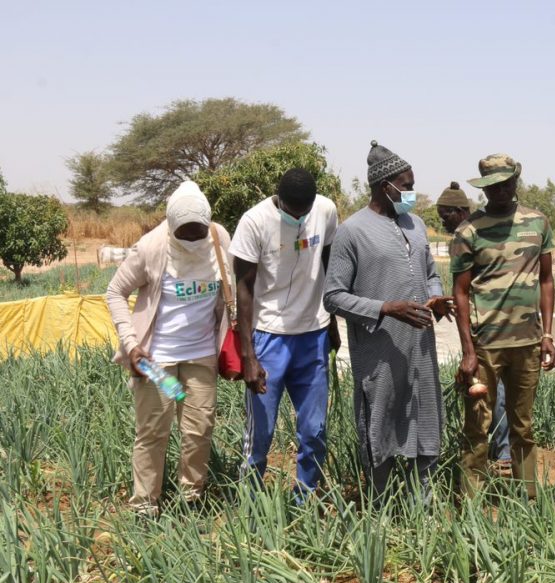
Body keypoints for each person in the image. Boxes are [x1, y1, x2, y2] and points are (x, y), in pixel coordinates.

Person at [324, 142, 450, 503]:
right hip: (379, 351)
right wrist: (385, 308)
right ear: (385, 186)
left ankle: (420, 511)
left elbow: (429, 273)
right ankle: (380, 509)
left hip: (420, 351)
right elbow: (333, 296)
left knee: (424, 421)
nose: (411, 192)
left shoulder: (417, 225)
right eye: (406, 185)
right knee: (380, 426)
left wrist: (436, 297)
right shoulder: (352, 232)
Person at [106, 181, 231, 516]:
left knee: (198, 429)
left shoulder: (219, 239)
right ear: (171, 227)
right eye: (185, 233)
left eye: (198, 232)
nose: (192, 238)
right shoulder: (152, 248)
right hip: (157, 361)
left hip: (201, 356)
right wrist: (131, 345)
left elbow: (229, 292)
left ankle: (192, 496)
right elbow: (115, 292)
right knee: (154, 431)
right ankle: (146, 505)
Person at [451, 153, 555, 498]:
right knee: (477, 426)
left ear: (516, 182)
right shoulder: (469, 231)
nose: (499, 190)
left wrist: (546, 335)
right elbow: (461, 292)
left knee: (522, 427)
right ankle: (472, 503)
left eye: (505, 183)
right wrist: (468, 351)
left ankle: (527, 498)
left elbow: (546, 280)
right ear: (483, 188)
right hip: (486, 345)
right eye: (492, 185)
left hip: (526, 343)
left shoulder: (537, 223)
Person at [230, 168, 339, 499]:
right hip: (268, 337)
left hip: (312, 335)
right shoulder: (254, 222)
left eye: (304, 211)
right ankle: (250, 502)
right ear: (279, 201)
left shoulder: (325, 210)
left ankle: (304, 498)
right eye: (293, 212)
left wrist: (331, 321)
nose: (300, 217)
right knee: (260, 433)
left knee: (314, 429)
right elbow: (244, 288)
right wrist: (248, 355)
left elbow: (328, 263)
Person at [436, 182, 511, 470]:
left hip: (492, 327)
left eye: (446, 216)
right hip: (479, 327)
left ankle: (502, 454)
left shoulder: (477, 232)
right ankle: (492, 451)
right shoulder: (465, 234)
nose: (444, 222)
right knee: (482, 390)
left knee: (496, 393)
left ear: (461, 211)